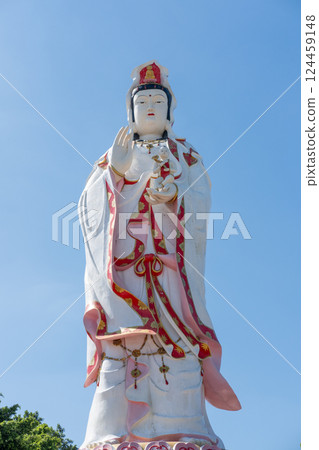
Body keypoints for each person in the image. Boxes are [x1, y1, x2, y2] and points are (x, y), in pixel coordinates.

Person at [79, 61, 241, 450]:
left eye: (157, 100)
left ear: (170, 112)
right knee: (122, 342)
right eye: (143, 101)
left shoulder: (185, 155)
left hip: (169, 264)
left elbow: (200, 200)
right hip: (125, 271)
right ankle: (113, 434)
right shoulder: (112, 155)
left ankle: (185, 431)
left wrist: (174, 198)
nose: (150, 106)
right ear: (131, 112)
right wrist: (115, 177)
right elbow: (88, 209)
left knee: (178, 341)